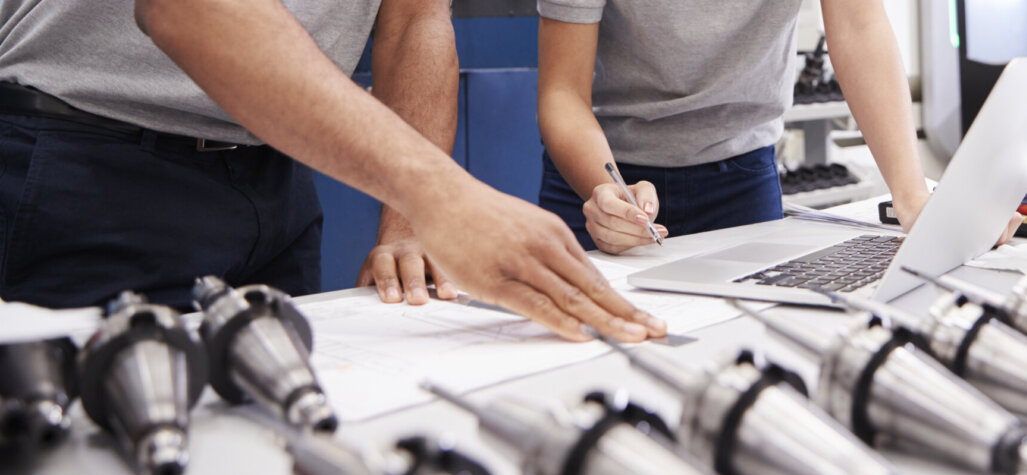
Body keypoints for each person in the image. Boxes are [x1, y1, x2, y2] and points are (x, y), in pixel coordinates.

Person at [0, 0, 663, 342]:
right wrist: (442, 194)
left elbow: (414, 19)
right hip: (85, 160)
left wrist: (407, 225)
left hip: (272, 182)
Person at [535, 1, 1024, 254]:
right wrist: (605, 190)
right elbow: (562, 93)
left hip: (741, 184)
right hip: (603, 182)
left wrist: (912, 196)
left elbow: (859, 26)